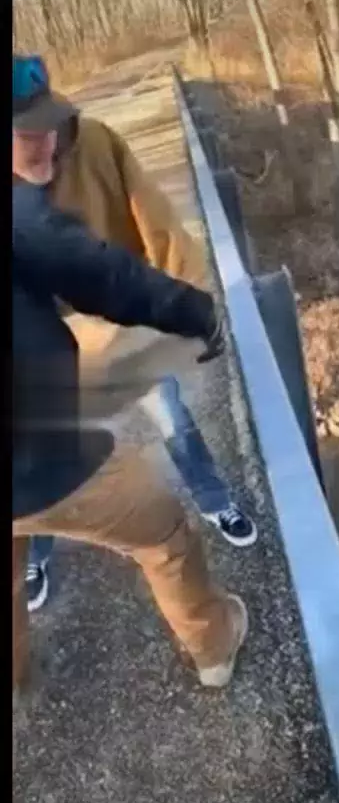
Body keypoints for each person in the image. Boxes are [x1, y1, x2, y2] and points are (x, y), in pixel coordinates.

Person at [13, 54, 257, 613]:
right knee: (40, 454)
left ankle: (214, 499)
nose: (45, 144)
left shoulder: (96, 144)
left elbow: (153, 223)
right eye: (27, 135)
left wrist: (193, 303)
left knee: (170, 413)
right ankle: (36, 558)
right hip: (44, 351)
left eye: (49, 126)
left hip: (116, 318)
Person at [13, 176, 248, 692]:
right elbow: (92, 269)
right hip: (40, 457)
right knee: (165, 534)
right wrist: (197, 313)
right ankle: (215, 647)